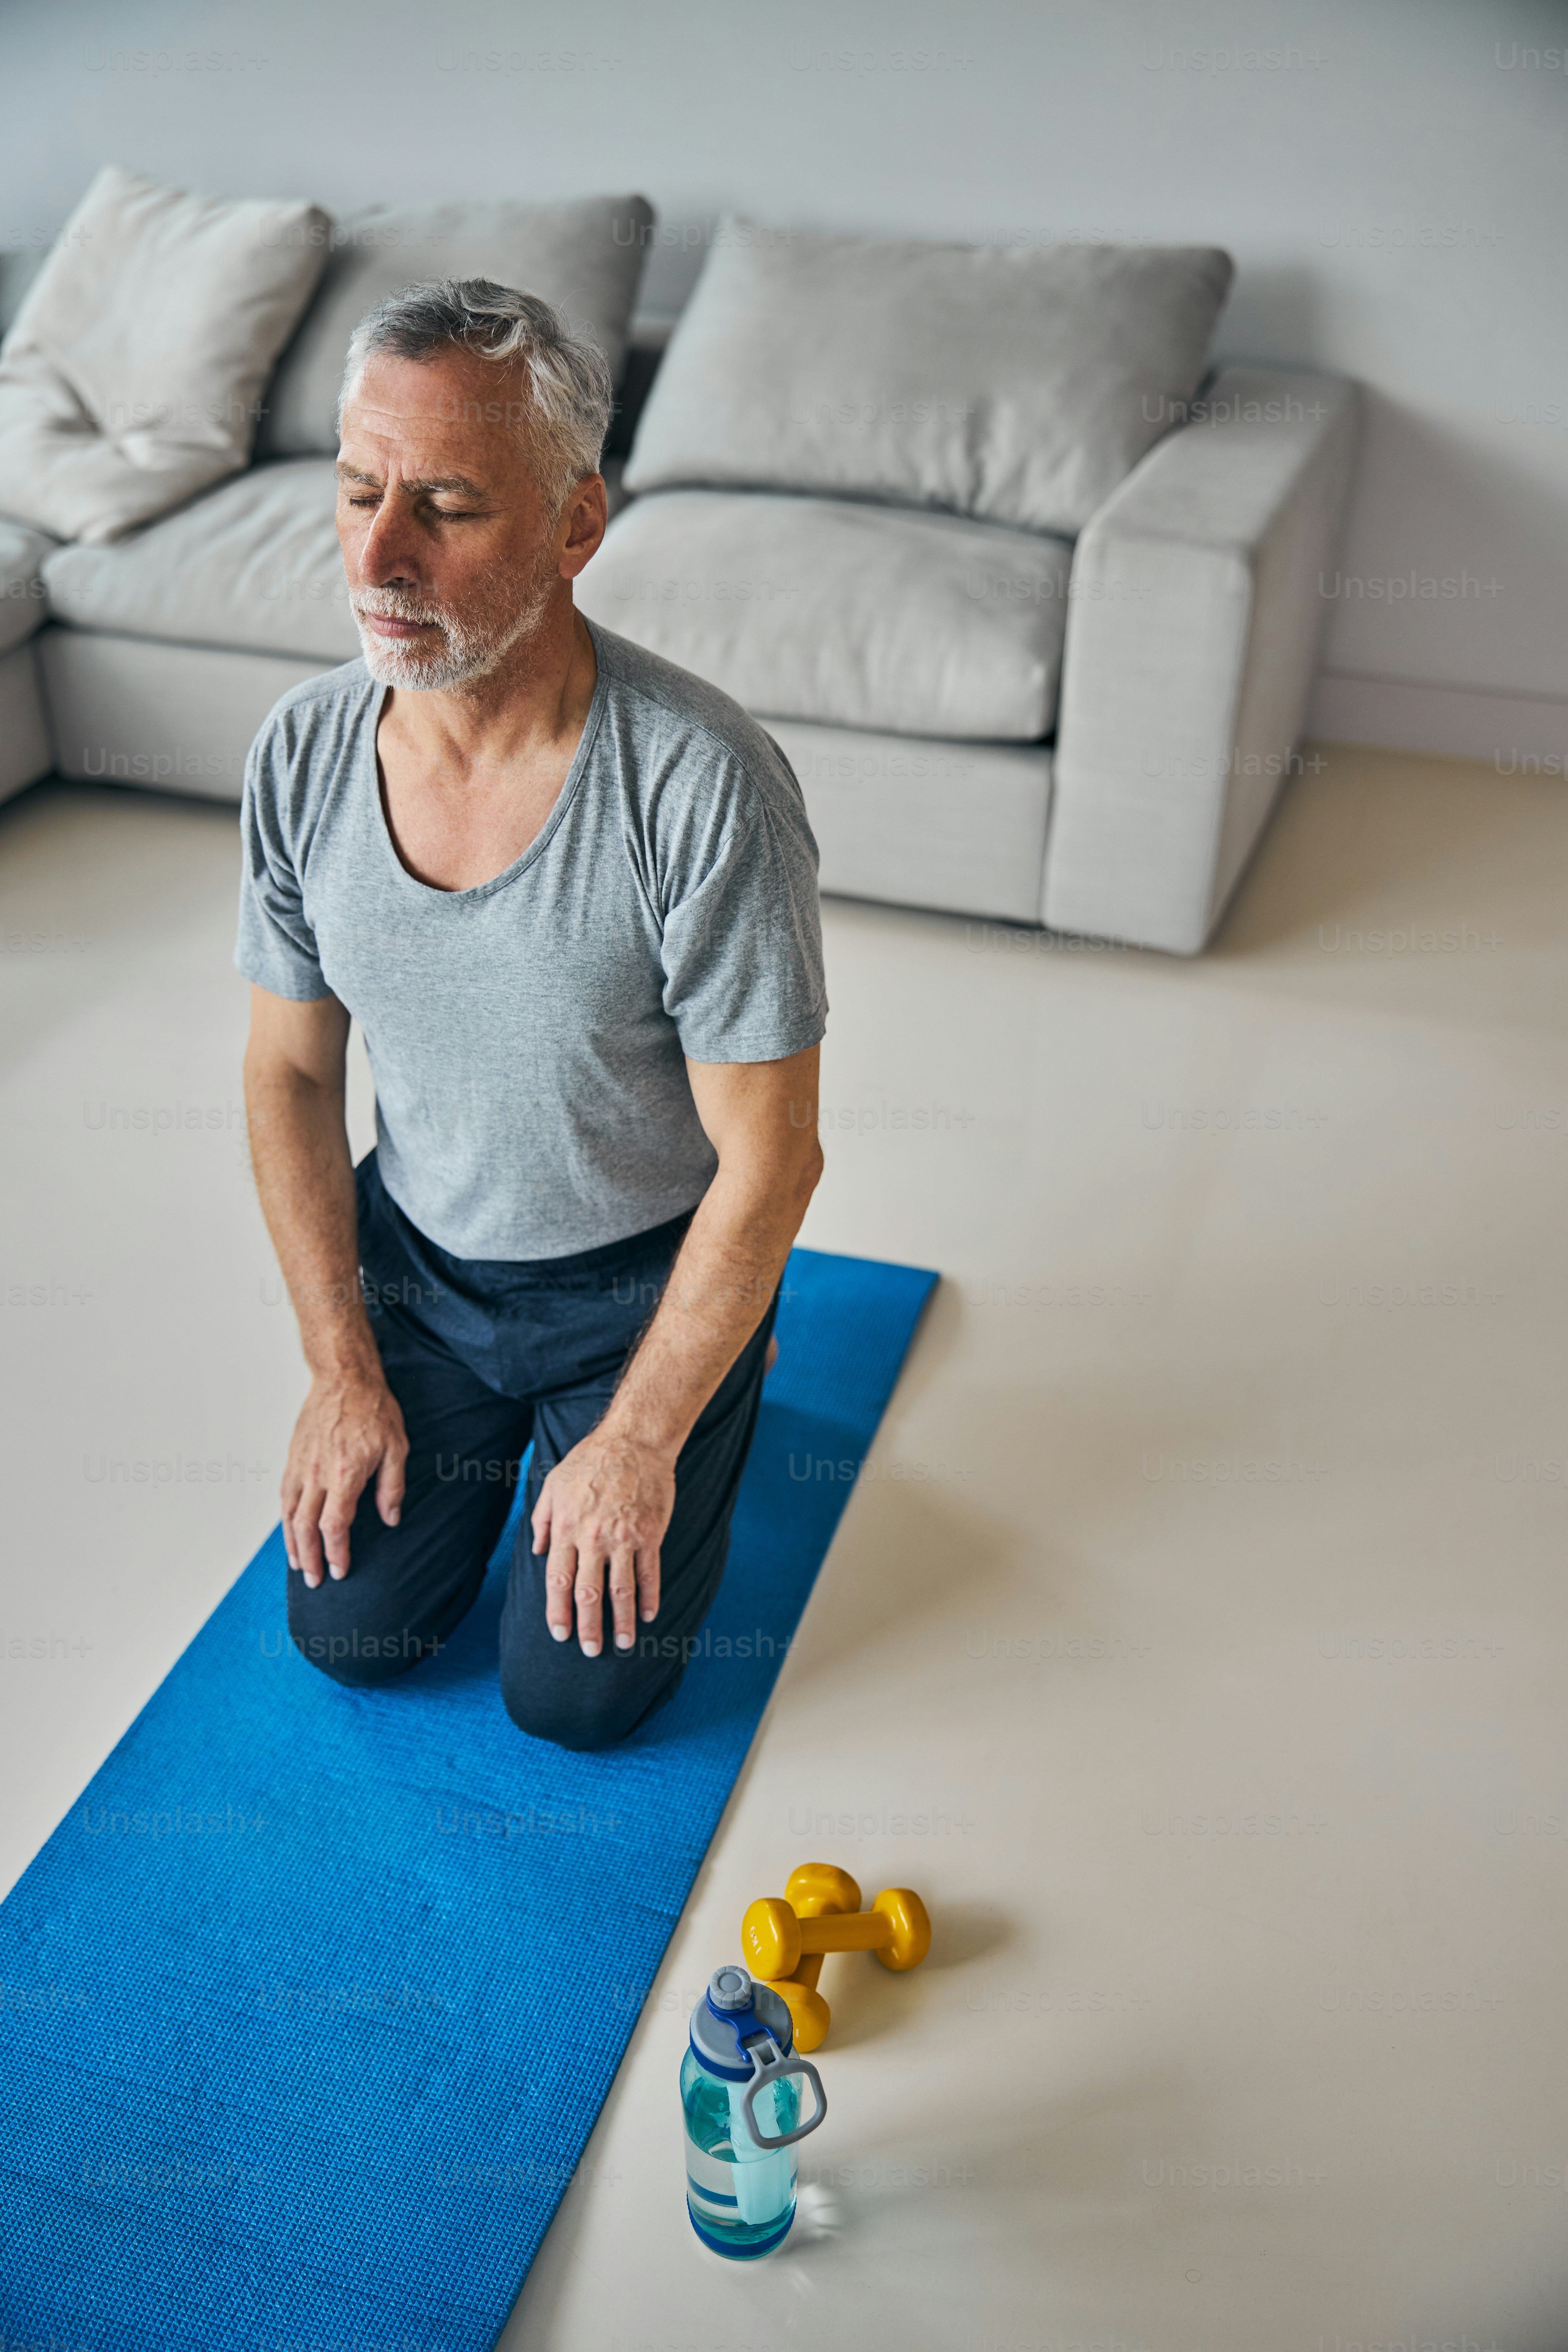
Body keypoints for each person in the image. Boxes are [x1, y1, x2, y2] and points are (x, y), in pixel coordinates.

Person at [236, 278, 826, 1750]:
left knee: (577, 1700)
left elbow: (773, 1162)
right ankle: (506, 1415)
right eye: (358, 491)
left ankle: (729, 1361)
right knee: (351, 1634)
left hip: (632, 1283)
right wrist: (340, 1368)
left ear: (574, 525)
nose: (377, 556)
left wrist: (640, 1436)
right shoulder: (303, 752)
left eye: (444, 506)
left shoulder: (701, 786)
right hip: (421, 1265)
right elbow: (291, 1077)